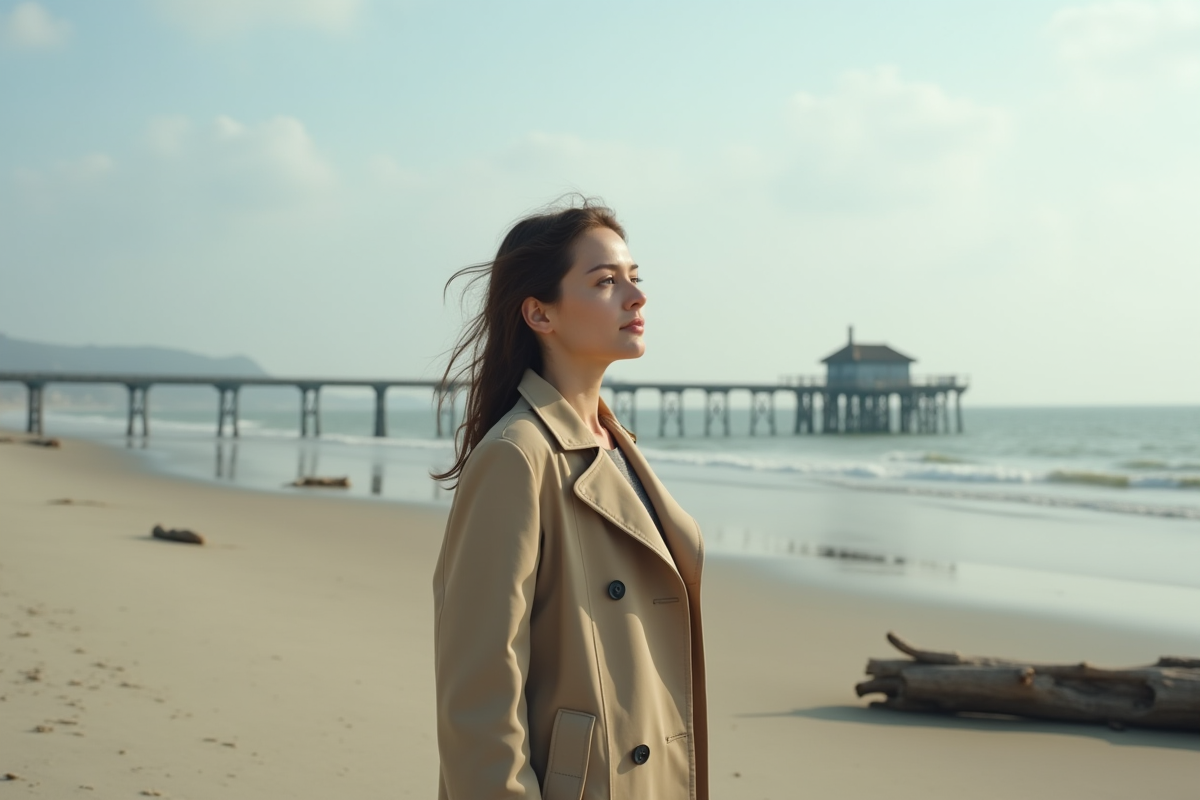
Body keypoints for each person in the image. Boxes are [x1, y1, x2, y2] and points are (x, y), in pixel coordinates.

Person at [432, 199, 708, 799]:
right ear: (539, 313)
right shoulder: (518, 456)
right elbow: (480, 687)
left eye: (635, 278)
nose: (635, 297)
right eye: (606, 282)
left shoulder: (615, 443)